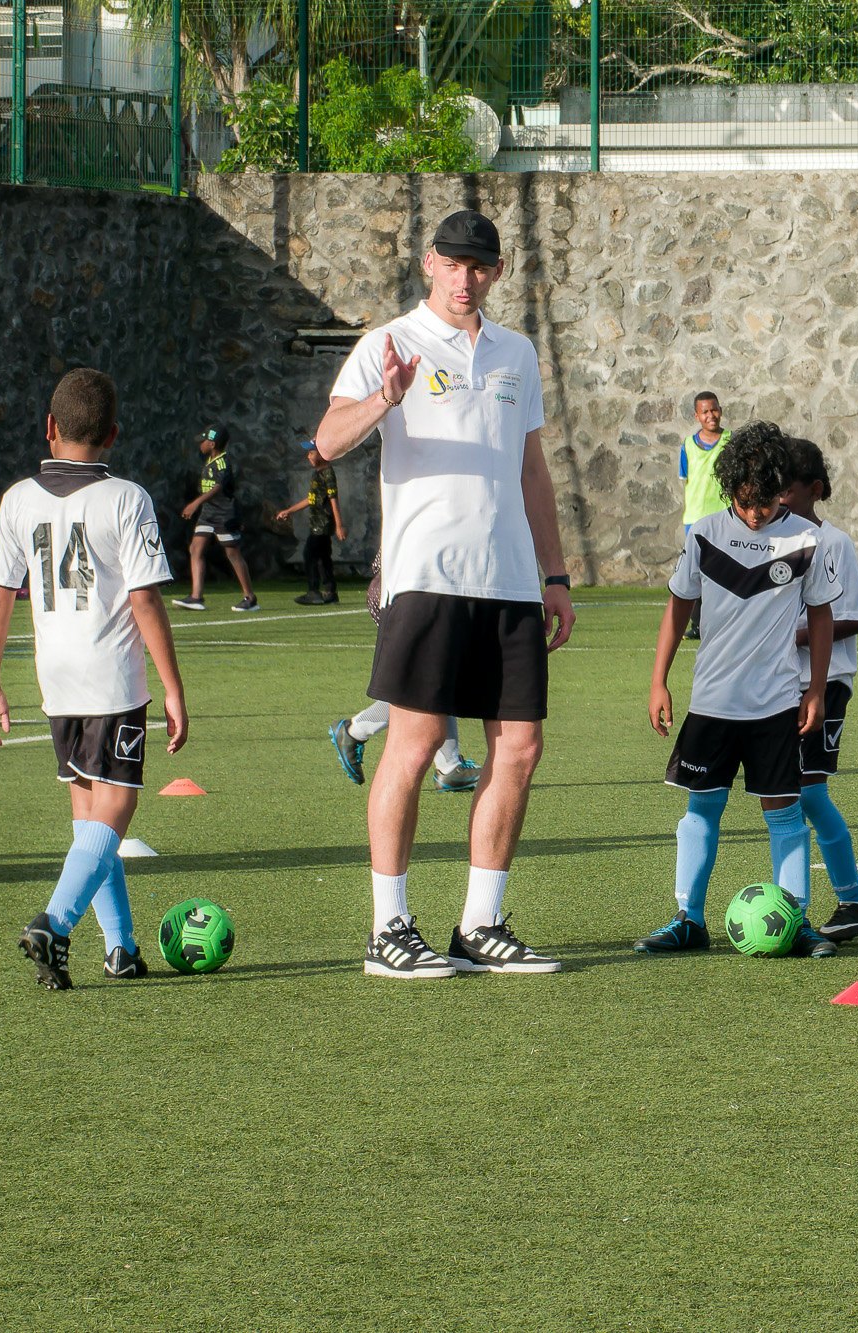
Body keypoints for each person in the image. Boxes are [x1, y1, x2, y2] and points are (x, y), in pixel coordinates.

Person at [314, 208, 576, 979]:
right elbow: (326, 441)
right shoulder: (388, 344)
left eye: (480, 266)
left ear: (496, 271)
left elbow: (531, 470)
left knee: (520, 747)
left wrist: (554, 577)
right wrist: (383, 400)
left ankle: (481, 923)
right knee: (416, 743)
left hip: (510, 584)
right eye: (453, 264)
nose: (466, 279)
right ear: (430, 263)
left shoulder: (516, 354)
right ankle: (388, 928)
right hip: (425, 577)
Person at [0, 368, 189, 989]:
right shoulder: (127, 498)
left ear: (50, 427)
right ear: (113, 435)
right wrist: (172, 687)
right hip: (111, 676)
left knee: (87, 813)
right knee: (116, 804)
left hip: (55, 676)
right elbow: (145, 601)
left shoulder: (18, 498)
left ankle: (120, 948)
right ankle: (55, 924)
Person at [635, 424, 841, 957]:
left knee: (785, 812)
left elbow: (821, 616)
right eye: (746, 502)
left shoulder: (806, 538)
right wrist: (659, 680)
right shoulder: (704, 532)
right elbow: (679, 605)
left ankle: (795, 921)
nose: (756, 513)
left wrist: (815, 688)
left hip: (775, 703)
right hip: (712, 703)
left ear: (783, 489)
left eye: (767, 501)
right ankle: (688, 919)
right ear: (731, 491)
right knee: (701, 810)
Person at [780, 435, 858, 942]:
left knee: (810, 792)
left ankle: (853, 897)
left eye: (787, 490)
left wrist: (799, 636)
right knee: (786, 794)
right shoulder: (777, 539)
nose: (778, 499)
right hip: (778, 685)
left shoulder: (833, 542)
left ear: (814, 490)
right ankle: (810, 903)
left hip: (825, 683)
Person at [329, 557, 482, 792]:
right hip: (412, 588)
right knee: (433, 677)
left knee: (440, 676)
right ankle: (355, 730)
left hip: (422, 586)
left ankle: (449, 767)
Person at [172, 426, 258, 613]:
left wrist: (195, 503)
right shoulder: (210, 460)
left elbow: (218, 487)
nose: (200, 445)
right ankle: (196, 596)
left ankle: (250, 597)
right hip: (208, 513)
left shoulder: (222, 463)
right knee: (196, 548)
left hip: (224, 514)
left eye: (203, 441)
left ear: (212, 444)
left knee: (232, 553)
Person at [678, 391, 731, 640]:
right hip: (696, 519)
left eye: (714, 410)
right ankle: (698, 624)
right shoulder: (687, 445)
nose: (711, 416)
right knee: (696, 572)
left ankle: (727, 622)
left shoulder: (731, 441)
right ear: (697, 415)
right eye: (705, 412)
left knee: (727, 570)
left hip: (726, 516)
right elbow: (686, 479)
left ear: (721, 410)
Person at [276, 441, 345, 605]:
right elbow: (311, 499)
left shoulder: (327, 473)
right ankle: (330, 591)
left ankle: (313, 591)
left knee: (310, 555)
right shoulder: (317, 474)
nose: (308, 456)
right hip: (317, 523)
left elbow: (333, 499)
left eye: (311, 452)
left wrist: (339, 524)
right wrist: (289, 511)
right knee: (323, 557)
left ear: (322, 454)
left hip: (322, 524)